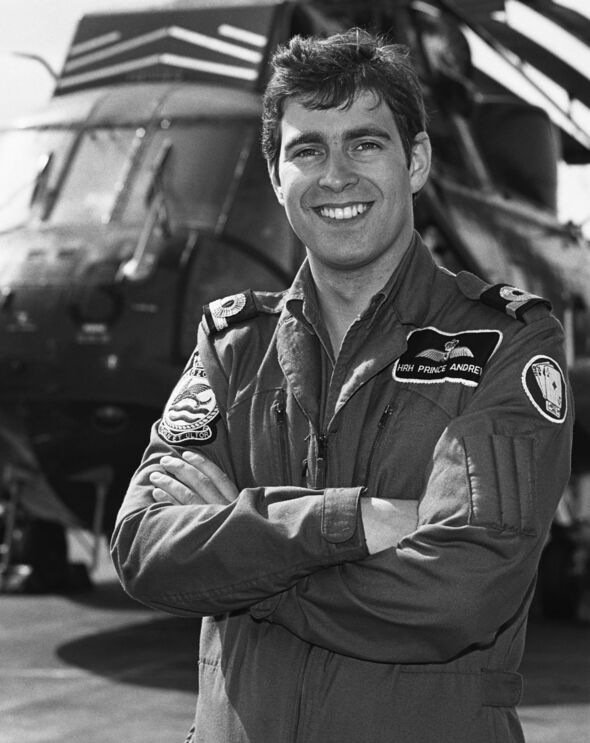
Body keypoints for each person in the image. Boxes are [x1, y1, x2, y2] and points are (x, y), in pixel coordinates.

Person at [111, 29, 573, 743]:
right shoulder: (234, 346)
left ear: (415, 161)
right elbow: (144, 547)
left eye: (364, 144)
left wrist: (247, 565)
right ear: (276, 178)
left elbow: (461, 593)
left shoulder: (507, 342)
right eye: (307, 150)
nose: (335, 176)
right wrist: (348, 521)